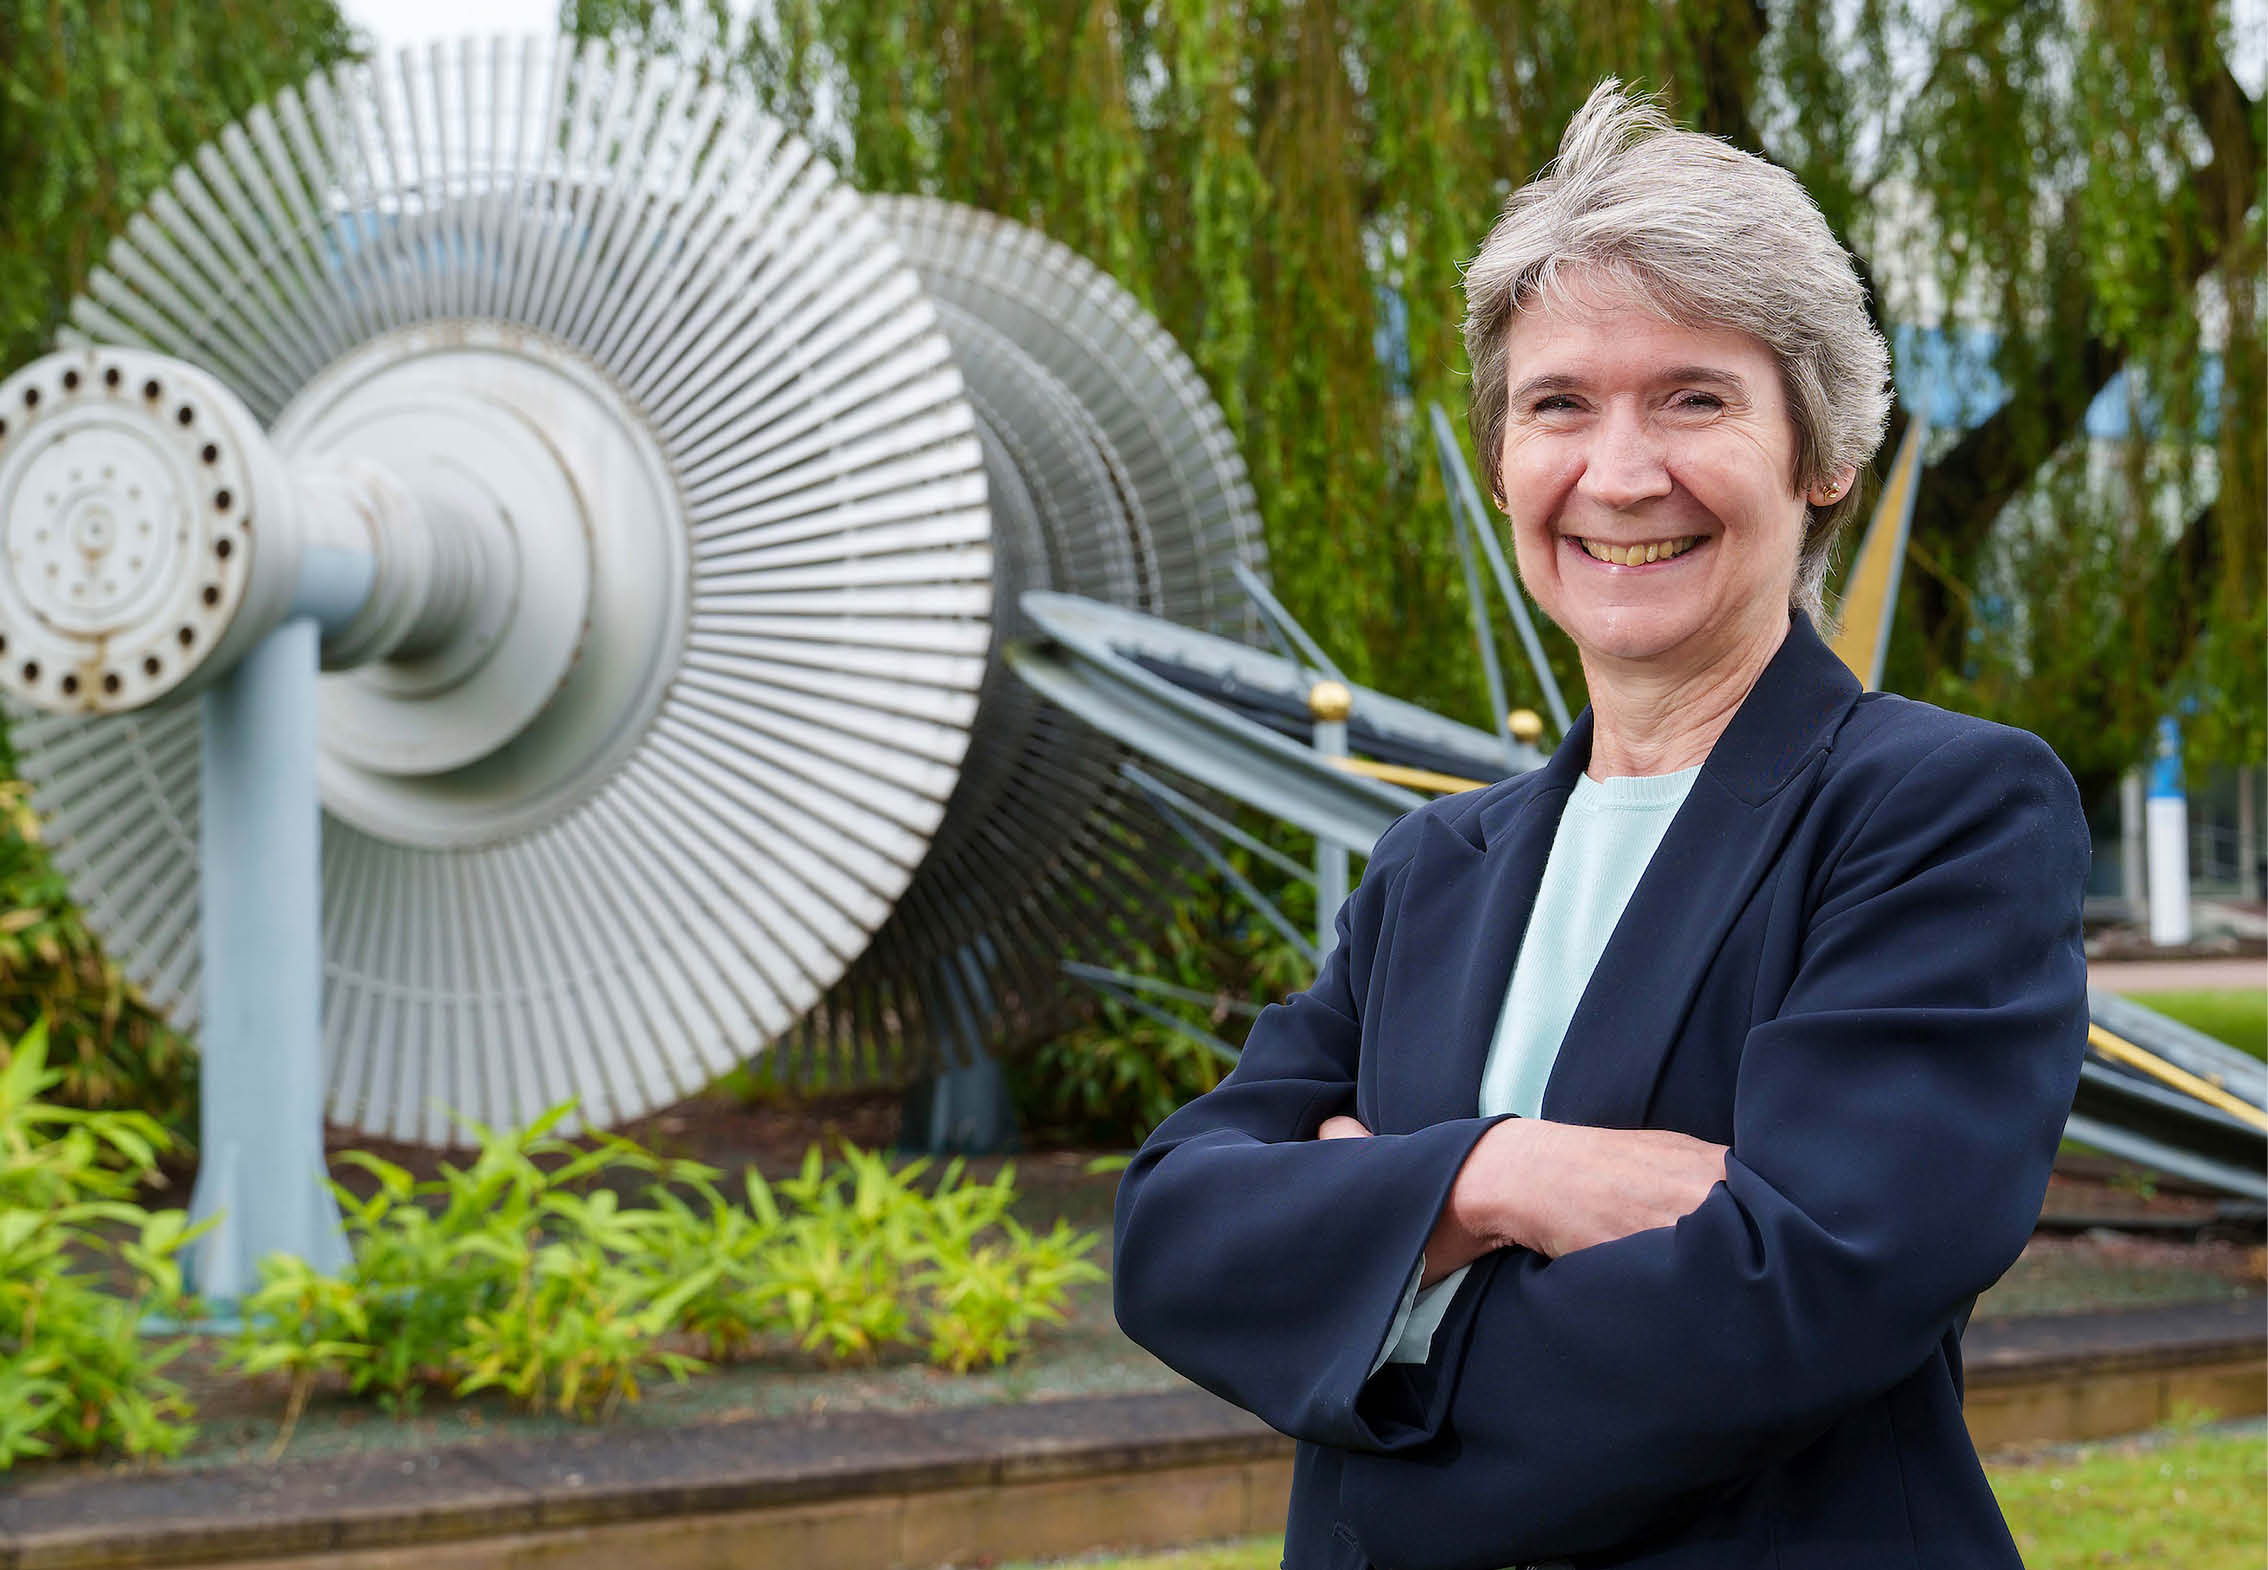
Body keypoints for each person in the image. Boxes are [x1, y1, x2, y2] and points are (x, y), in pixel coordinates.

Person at [1111, 80, 2091, 1570]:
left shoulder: (1941, 814)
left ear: (1820, 457)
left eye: (1695, 398)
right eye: (1559, 404)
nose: (1618, 473)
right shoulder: (1433, 866)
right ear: (1507, 460)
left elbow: (1786, 1297)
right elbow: (1177, 1234)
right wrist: (1506, 1176)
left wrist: (1369, 1299)